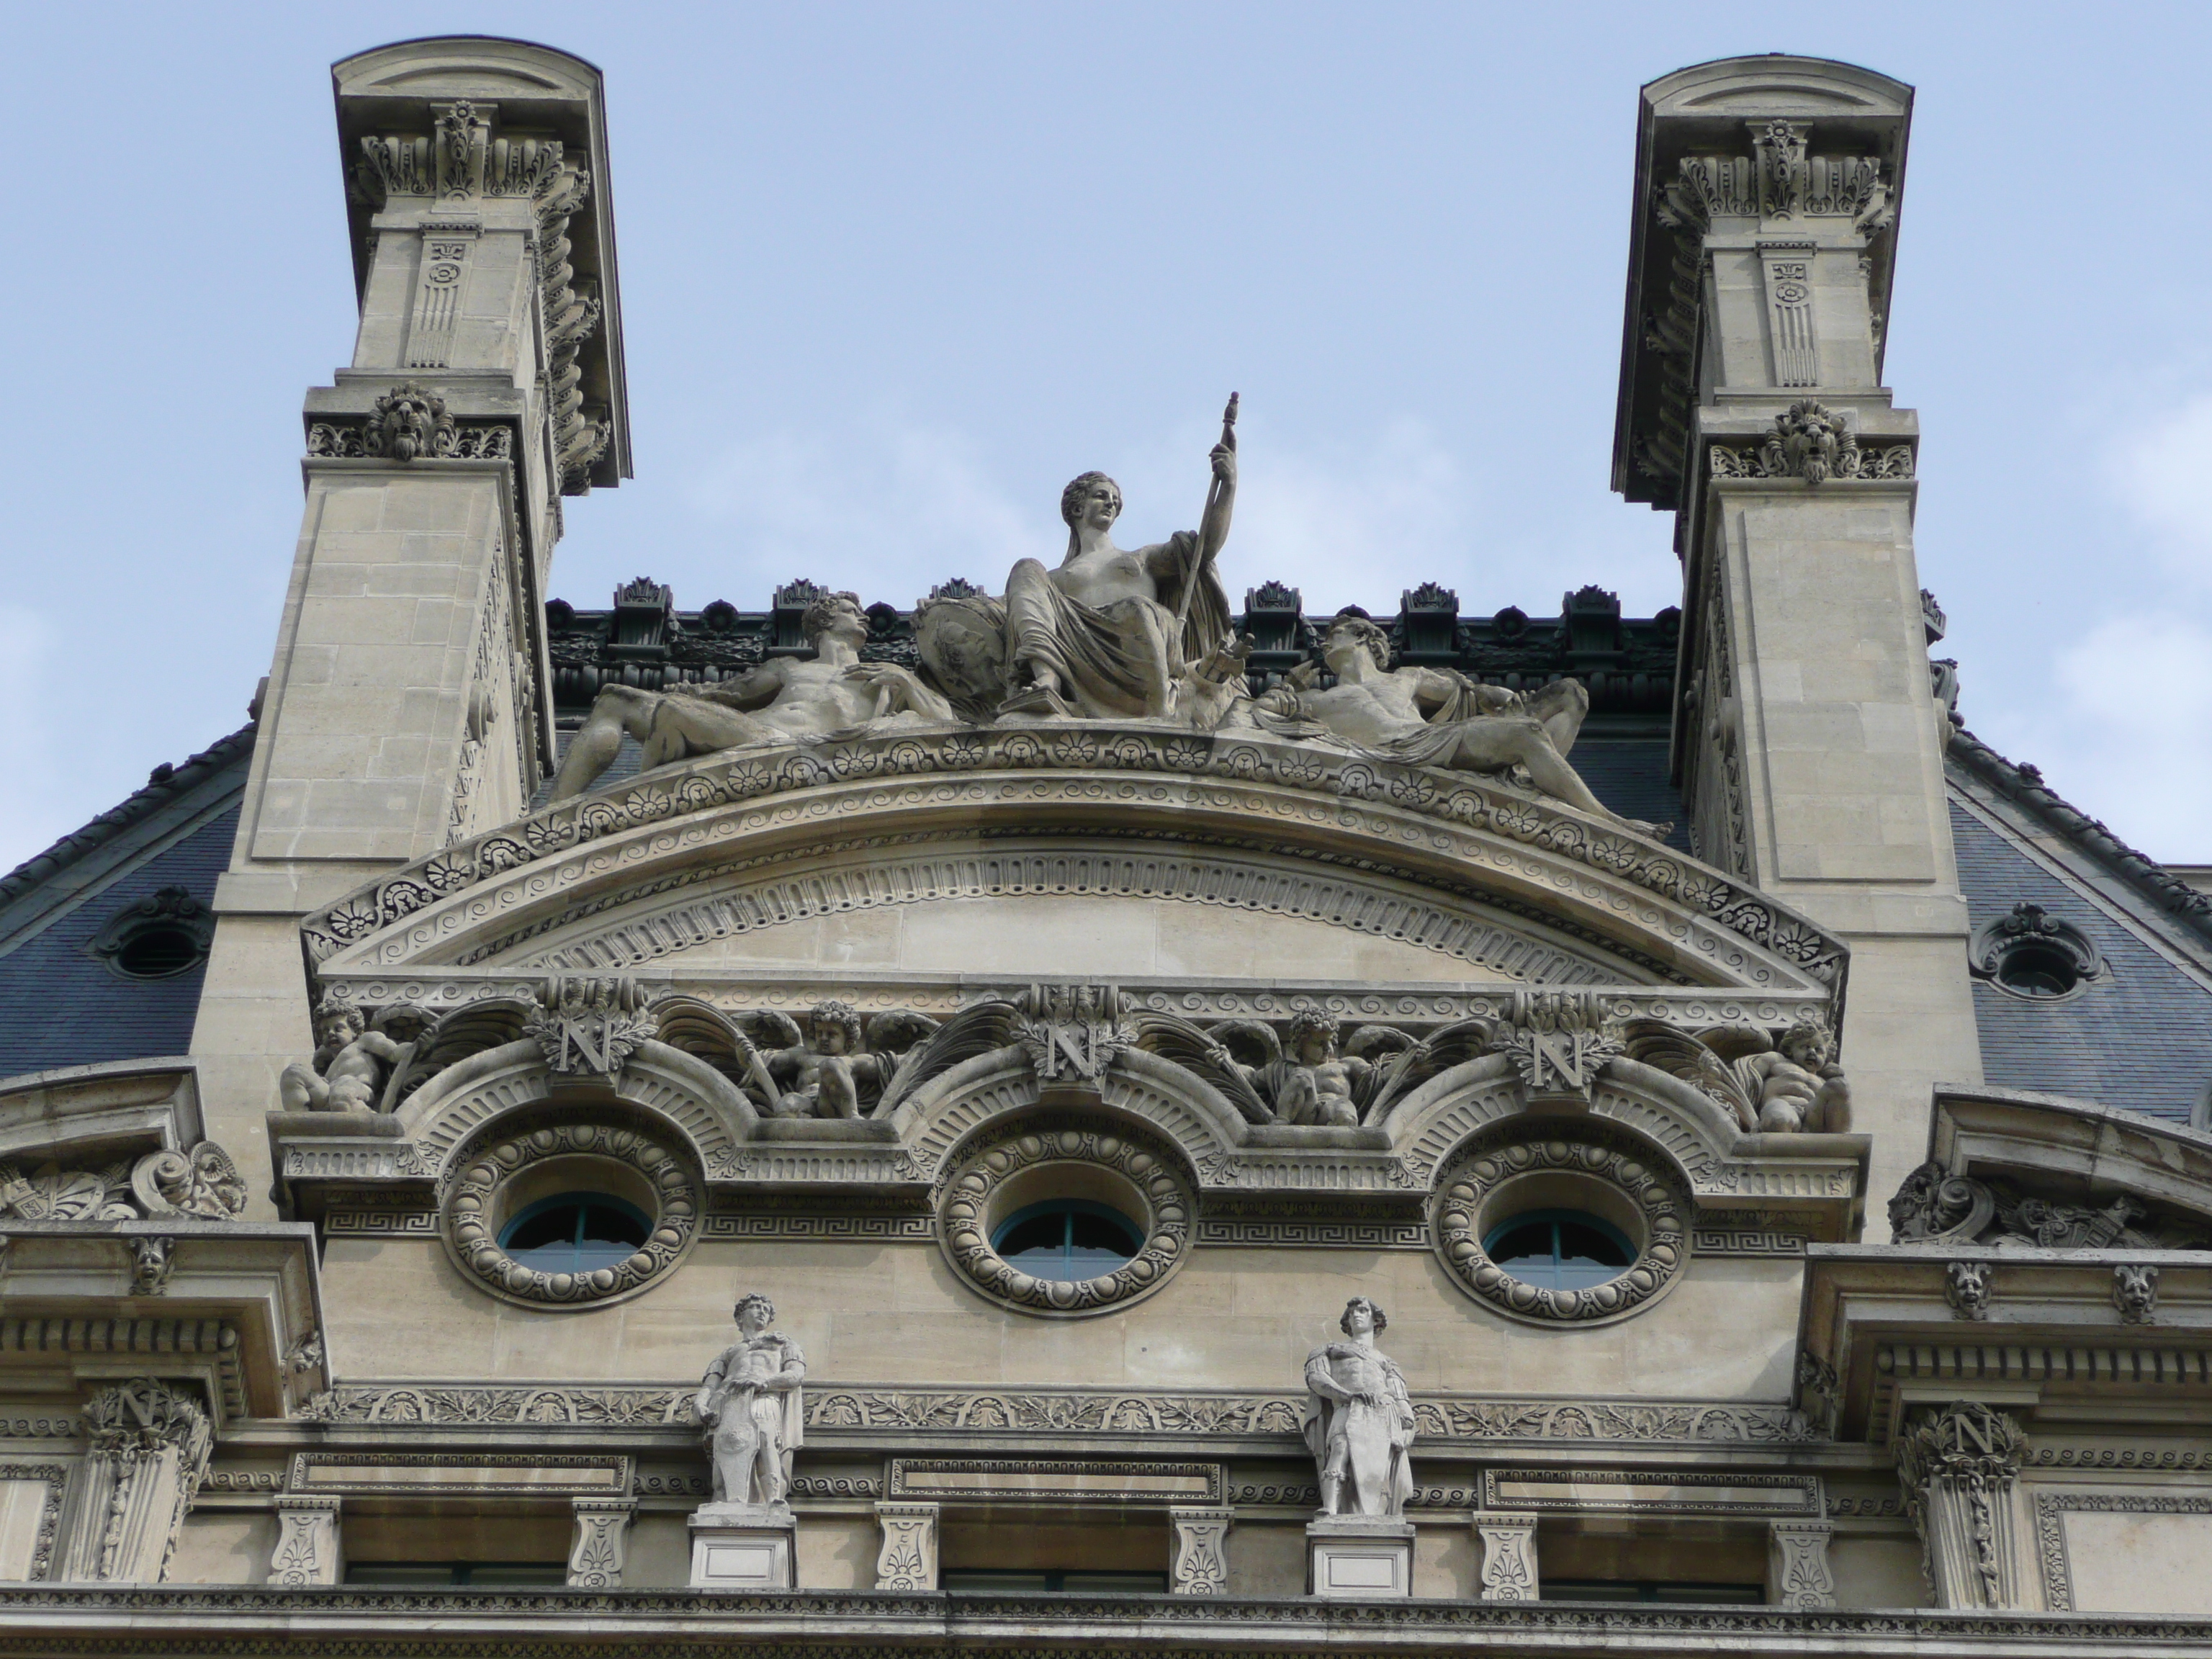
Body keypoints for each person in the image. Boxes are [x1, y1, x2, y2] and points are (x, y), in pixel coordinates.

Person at [1257, 613, 1663, 835]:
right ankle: (1609, 822)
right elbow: (1261, 712)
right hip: (1390, 752)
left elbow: (1477, 691)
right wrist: (1283, 689)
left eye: (1335, 633)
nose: (1326, 641)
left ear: (1363, 638)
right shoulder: (1316, 699)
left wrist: (1508, 700)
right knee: (1528, 733)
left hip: (1434, 740)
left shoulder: (1407, 678)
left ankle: (1530, 780)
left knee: (1572, 695)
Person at [549, 590, 953, 801]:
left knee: (671, 715)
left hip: (804, 749)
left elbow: (948, 726)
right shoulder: (789, 668)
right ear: (826, 621)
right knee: (616, 698)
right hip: (757, 736)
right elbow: (726, 694)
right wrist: (689, 689)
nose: (862, 616)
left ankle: (648, 793)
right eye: (851, 610)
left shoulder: (888, 677)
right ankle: (557, 815)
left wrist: (907, 681)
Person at [1302, 1295, 1415, 1518]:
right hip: (1348, 1406)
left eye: (1363, 1310)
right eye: (1352, 1312)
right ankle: (1331, 1509)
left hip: (1383, 1412)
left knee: (1381, 1468)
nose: (1355, 1315)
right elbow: (1317, 1379)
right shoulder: (1327, 1350)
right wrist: (1347, 1395)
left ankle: (1376, 1514)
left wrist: (1408, 1427)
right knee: (1340, 1449)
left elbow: (1400, 1397)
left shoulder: (1387, 1362)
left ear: (1376, 1320)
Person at [695, 1293, 807, 1509]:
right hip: (727, 1402)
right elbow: (710, 1385)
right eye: (755, 1307)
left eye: (766, 1309)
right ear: (739, 1317)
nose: (762, 1311)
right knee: (727, 1450)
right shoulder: (729, 1353)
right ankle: (725, 1499)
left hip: (763, 1397)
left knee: (765, 1439)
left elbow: (795, 1375)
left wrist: (763, 1381)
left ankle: (772, 1498)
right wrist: (700, 1405)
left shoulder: (783, 1345)